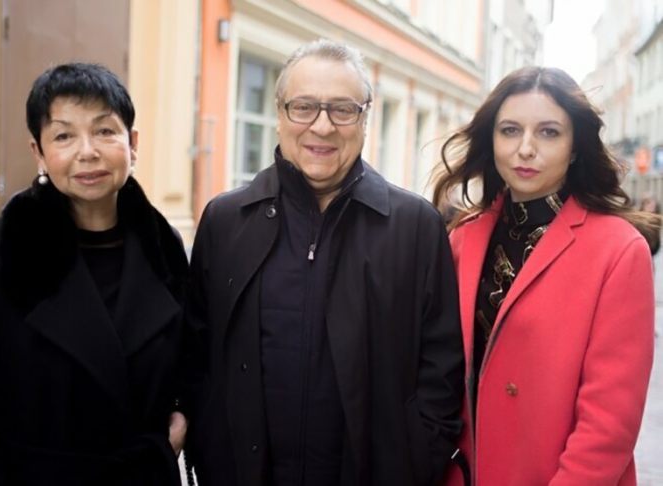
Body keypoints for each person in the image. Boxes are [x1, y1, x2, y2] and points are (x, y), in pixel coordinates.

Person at [186, 39, 465, 486]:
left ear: (365, 118)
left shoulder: (415, 226)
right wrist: (210, 448)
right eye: (304, 107)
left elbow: (442, 366)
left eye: (342, 109)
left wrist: (416, 459)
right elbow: (197, 354)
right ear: (280, 114)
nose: (322, 126)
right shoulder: (226, 220)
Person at [0, 63, 195, 485]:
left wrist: (170, 439)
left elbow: (185, 365)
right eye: (64, 136)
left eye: (105, 131)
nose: (87, 152)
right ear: (38, 152)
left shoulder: (164, 247)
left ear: (132, 143)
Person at [432, 66, 656, 485]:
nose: (526, 149)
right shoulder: (463, 237)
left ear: (574, 148)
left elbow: (608, 426)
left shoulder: (619, 251)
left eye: (549, 133)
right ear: (492, 140)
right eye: (510, 131)